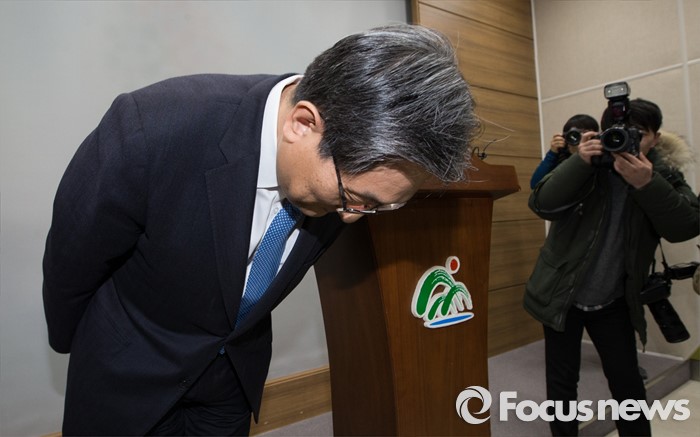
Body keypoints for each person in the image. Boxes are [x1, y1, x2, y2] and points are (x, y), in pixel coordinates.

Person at [42, 24, 479, 436]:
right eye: (353, 197)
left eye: (380, 206)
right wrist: (89, 352)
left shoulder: (345, 173)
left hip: (231, 380)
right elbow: (72, 259)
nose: (352, 217)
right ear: (302, 124)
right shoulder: (153, 127)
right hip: (130, 374)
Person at [524, 98, 699, 436]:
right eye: (619, 131)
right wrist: (579, 162)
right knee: (561, 384)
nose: (627, 140)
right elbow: (541, 203)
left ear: (655, 139)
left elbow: (685, 226)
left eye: (639, 134)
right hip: (561, 294)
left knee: (627, 385)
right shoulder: (586, 166)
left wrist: (647, 184)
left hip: (616, 300)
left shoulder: (662, 175)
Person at [530, 114, 599, 189]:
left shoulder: (599, 158)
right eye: (574, 135)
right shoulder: (560, 159)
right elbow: (535, 185)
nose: (580, 138)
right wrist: (552, 154)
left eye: (585, 133)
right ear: (566, 138)